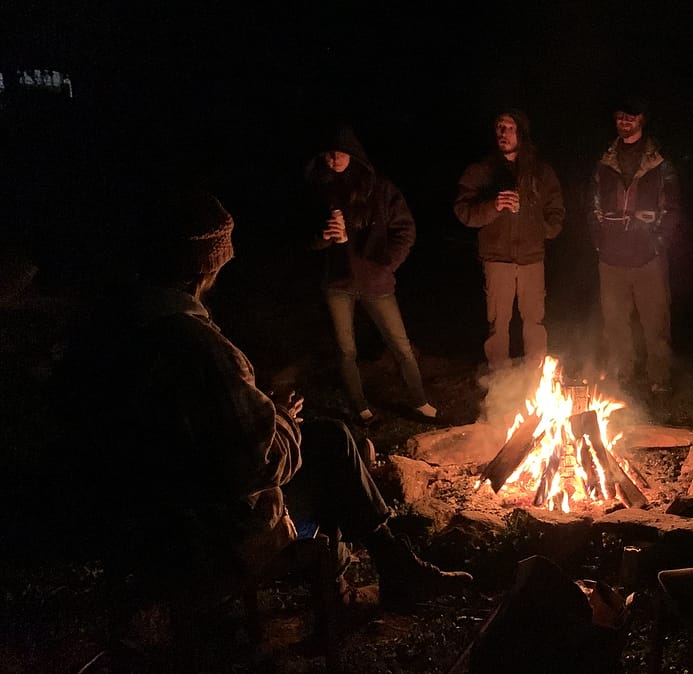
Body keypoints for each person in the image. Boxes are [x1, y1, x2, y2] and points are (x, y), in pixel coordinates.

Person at [63, 188, 471, 617]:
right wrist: (281, 417)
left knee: (337, 441)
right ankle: (374, 577)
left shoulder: (105, 333)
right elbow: (263, 465)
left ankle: (380, 569)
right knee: (335, 446)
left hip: (128, 522)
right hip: (206, 532)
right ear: (205, 270)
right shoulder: (199, 349)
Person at [305, 123, 435, 426]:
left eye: (338, 153)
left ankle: (420, 402)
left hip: (376, 282)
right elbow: (307, 238)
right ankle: (360, 407)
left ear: (353, 153)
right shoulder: (320, 189)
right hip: (337, 283)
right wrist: (324, 236)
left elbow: (406, 229)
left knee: (401, 346)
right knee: (346, 349)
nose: (332, 159)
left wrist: (387, 263)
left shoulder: (380, 189)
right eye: (328, 154)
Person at [454, 109, 565, 370]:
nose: (503, 133)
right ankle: (500, 381)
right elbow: (463, 211)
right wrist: (493, 205)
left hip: (531, 258)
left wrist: (545, 230)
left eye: (510, 128)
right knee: (498, 324)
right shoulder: (482, 171)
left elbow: (556, 209)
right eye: (499, 128)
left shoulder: (540, 172)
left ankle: (536, 376)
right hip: (497, 258)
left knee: (534, 322)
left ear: (522, 134)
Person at [587, 97, 682, 394]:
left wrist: (656, 244)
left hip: (647, 259)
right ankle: (623, 374)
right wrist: (601, 243)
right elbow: (592, 207)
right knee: (615, 323)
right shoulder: (605, 161)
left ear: (642, 118)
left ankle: (659, 379)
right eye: (620, 115)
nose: (625, 120)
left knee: (656, 323)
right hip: (612, 259)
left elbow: (672, 210)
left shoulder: (658, 163)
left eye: (631, 115)